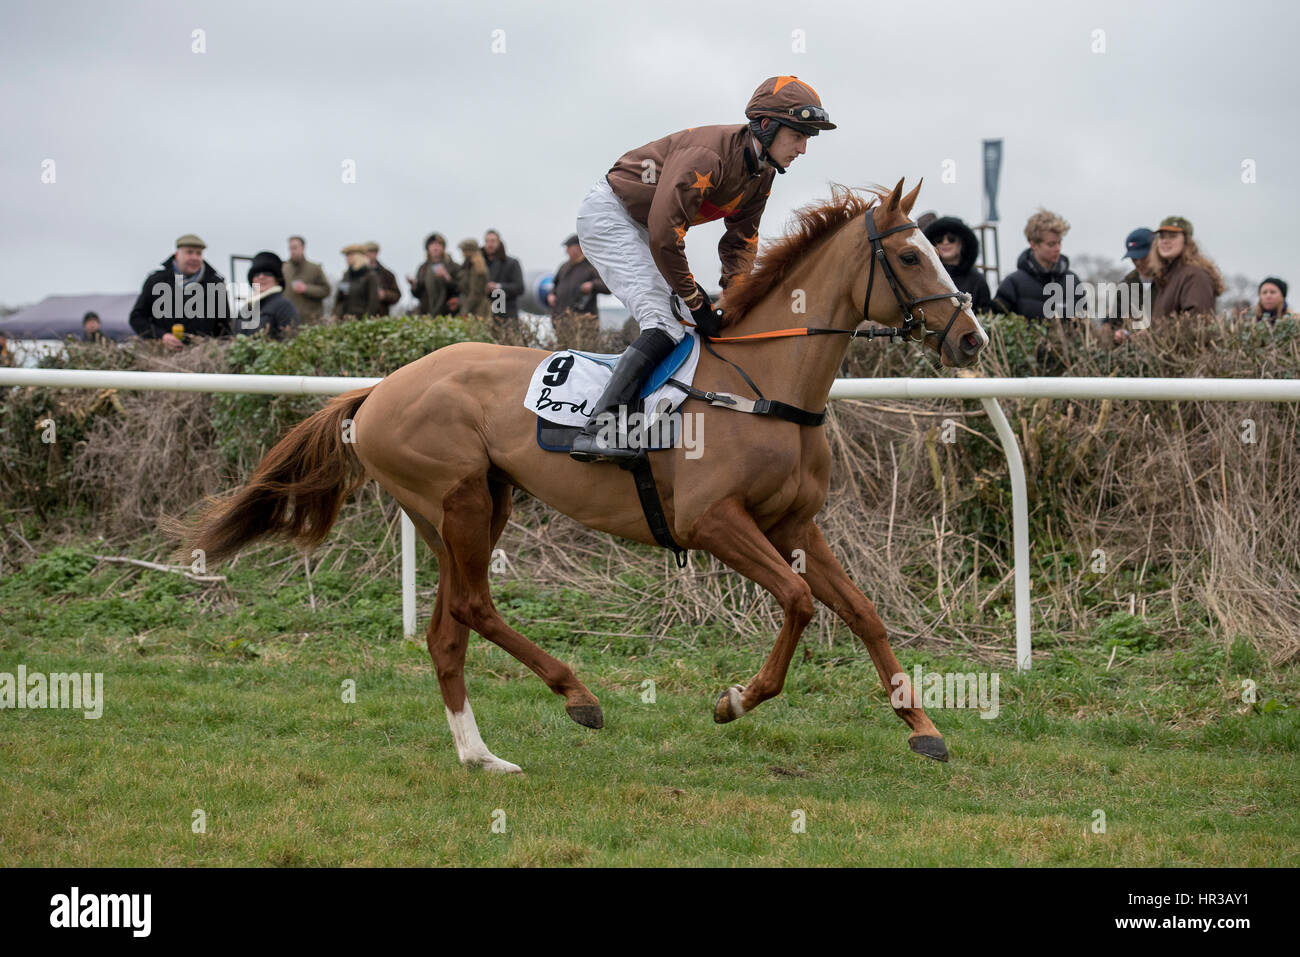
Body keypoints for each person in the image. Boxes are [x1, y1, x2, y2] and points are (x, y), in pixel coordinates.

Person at [569, 75, 834, 462]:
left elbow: (740, 243)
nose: (803, 148)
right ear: (767, 126)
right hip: (612, 216)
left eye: (808, 137)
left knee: (687, 327)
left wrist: (735, 300)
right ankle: (599, 428)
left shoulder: (763, 173)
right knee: (663, 322)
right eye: (798, 135)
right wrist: (696, 301)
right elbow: (664, 234)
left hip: (645, 226)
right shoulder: (709, 157)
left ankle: (654, 419)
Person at [128, 234, 232, 348]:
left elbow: (224, 327)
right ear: (177, 254)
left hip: (202, 357)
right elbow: (137, 318)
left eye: (199, 253)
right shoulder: (156, 281)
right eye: (189, 252)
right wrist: (161, 336)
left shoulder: (216, 284)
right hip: (162, 356)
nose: (195, 257)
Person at [992, 209, 1083, 321]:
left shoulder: (1072, 281)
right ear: (1033, 244)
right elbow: (998, 323)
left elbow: (1083, 324)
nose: (1057, 248)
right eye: (1051, 244)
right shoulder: (1012, 284)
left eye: (1059, 242)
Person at [1148, 216, 1224, 321]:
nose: (1165, 241)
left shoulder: (1195, 276)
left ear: (1187, 241)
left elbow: (1198, 324)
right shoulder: (1166, 276)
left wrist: (1156, 333)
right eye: (1161, 236)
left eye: (1172, 236)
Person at [549, 233, 610, 348]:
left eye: (568, 248)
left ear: (578, 248)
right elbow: (555, 285)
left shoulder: (591, 266)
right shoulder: (564, 267)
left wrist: (592, 285)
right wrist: (551, 295)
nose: (566, 251)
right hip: (561, 319)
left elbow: (607, 287)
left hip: (583, 322)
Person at [923, 216, 991, 313]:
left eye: (951, 239)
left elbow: (985, 315)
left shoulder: (977, 281)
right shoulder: (926, 277)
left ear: (961, 243)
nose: (945, 242)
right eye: (939, 239)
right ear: (934, 245)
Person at [1104, 227, 1158, 344]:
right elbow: (1114, 323)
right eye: (1134, 258)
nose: (1138, 262)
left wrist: (1152, 333)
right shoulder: (1126, 285)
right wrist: (1119, 333)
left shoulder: (1169, 280)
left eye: (1143, 257)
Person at [243, 252, 298, 340]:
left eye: (267, 273)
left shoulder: (284, 306)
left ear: (277, 279)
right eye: (256, 274)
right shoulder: (246, 307)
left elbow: (289, 340)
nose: (261, 277)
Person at [481, 229, 525, 332]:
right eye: (487, 241)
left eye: (493, 241)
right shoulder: (479, 265)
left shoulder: (512, 263)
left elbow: (519, 287)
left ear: (499, 242)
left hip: (506, 314)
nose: (489, 244)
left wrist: (497, 287)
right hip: (484, 314)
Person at [409, 232, 461, 316]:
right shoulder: (423, 268)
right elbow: (418, 294)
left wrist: (447, 277)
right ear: (428, 248)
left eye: (439, 244)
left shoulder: (454, 267)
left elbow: (461, 289)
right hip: (426, 314)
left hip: (448, 314)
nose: (435, 247)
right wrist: (413, 286)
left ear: (443, 247)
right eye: (432, 244)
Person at [283, 236, 331, 323]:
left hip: (310, 321)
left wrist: (306, 289)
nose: (292, 251)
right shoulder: (283, 269)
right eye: (290, 248)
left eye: (295, 248)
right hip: (289, 321)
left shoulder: (315, 268)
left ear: (303, 248)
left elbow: (326, 290)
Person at [333, 244, 382, 320]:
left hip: (361, 322)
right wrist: (335, 315)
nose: (347, 258)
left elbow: (373, 303)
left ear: (358, 256)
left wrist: (366, 321)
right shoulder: (346, 276)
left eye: (350, 255)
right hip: (345, 321)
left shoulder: (370, 276)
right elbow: (340, 299)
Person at [364, 242, 401, 316]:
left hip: (380, 316)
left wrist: (385, 295)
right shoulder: (358, 274)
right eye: (367, 253)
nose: (369, 255)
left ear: (376, 253)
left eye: (372, 252)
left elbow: (397, 295)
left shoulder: (387, 275)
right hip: (361, 315)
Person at [455, 238, 490, 318]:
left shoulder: (477, 267)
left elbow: (475, 293)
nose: (462, 254)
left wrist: (464, 311)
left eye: (463, 251)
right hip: (470, 307)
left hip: (476, 310)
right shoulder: (468, 266)